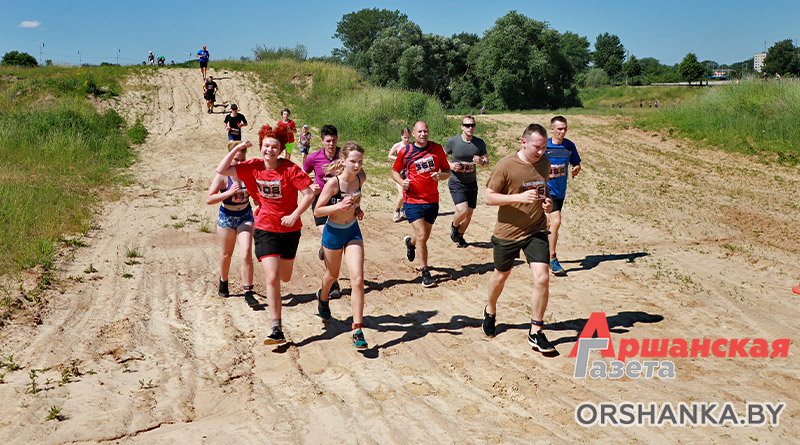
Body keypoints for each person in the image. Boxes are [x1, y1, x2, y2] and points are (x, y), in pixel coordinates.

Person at [215, 125, 314, 345]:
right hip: (265, 227)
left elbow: (308, 194)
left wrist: (294, 214)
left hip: (290, 229)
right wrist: (238, 147)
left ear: (280, 150)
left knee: (284, 277)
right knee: (271, 278)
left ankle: (279, 283)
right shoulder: (252, 167)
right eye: (266, 146)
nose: (269, 150)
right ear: (261, 147)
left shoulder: (290, 169)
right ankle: (276, 328)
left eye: (274, 147)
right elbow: (222, 169)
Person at [482, 123, 555, 353]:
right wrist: (517, 198)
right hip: (508, 232)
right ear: (523, 142)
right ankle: (490, 309)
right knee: (501, 276)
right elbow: (489, 197)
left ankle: (535, 331)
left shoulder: (544, 163)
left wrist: (548, 204)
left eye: (544, 148)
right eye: (536, 147)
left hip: (536, 229)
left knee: (542, 278)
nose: (540, 152)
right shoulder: (505, 166)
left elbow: (545, 190)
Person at [313, 142, 369, 349]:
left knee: (358, 279)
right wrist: (338, 206)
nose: (356, 165)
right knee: (332, 275)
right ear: (343, 161)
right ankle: (323, 296)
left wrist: (357, 210)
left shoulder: (361, 179)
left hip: (353, 231)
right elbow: (317, 211)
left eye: (360, 162)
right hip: (333, 232)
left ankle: (357, 330)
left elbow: (354, 202)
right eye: (353, 161)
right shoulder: (333, 184)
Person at [392, 121, 451, 288]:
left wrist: (441, 176)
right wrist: (402, 181)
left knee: (422, 237)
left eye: (426, 131)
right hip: (412, 200)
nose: (423, 134)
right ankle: (425, 272)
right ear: (414, 133)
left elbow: (447, 170)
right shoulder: (406, 151)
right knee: (422, 235)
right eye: (420, 131)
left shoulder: (437, 149)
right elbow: (394, 171)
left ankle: (410, 244)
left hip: (432, 200)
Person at [304, 125, 355, 297]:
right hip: (321, 203)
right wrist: (310, 186)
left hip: (342, 205)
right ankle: (333, 284)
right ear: (322, 141)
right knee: (327, 234)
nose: (331, 144)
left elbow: (359, 173)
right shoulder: (313, 158)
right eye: (328, 141)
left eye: (334, 140)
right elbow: (302, 176)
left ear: (337, 140)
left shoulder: (345, 156)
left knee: (330, 239)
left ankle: (324, 248)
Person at [206, 141, 255, 301]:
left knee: (246, 251)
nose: (239, 163)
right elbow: (210, 199)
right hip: (227, 217)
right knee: (227, 253)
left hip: (246, 216)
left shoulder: (248, 173)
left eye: (242, 159)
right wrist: (228, 193)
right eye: (236, 159)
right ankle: (223, 281)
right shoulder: (222, 176)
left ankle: (248, 291)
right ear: (229, 159)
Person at [444, 116, 489, 248]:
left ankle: (460, 235)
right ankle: (454, 225)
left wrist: (481, 161)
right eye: (467, 125)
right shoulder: (453, 142)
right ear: (462, 126)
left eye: (472, 125)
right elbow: (441, 157)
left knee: (469, 214)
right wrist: (450, 165)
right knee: (462, 211)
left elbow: (486, 163)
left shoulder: (479, 143)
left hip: (471, 182)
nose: (470, 128)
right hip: (456, 181)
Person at [544, 116, 581, 276]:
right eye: (559, 129)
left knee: (548, 224)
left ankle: (539, 252)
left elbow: (576, 163)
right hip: (545, 189)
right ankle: (552, 258)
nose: (563, 131)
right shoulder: (544, 145)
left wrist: (576, 168)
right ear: (552, 129)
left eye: (565, 128)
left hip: (561, 191)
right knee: (556, 221)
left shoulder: (569, 146)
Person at [387, 127, 411, 222]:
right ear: (401, 136)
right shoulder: (397, 145)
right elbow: (389, 155)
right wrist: (398, 159)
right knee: (401, 194)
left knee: (406, 194)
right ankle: (396, 211)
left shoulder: (412, 146)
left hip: (408, 173)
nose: (406, 139)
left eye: (408, 137)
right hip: (398, 173)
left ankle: (403, 210)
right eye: (405, 137)